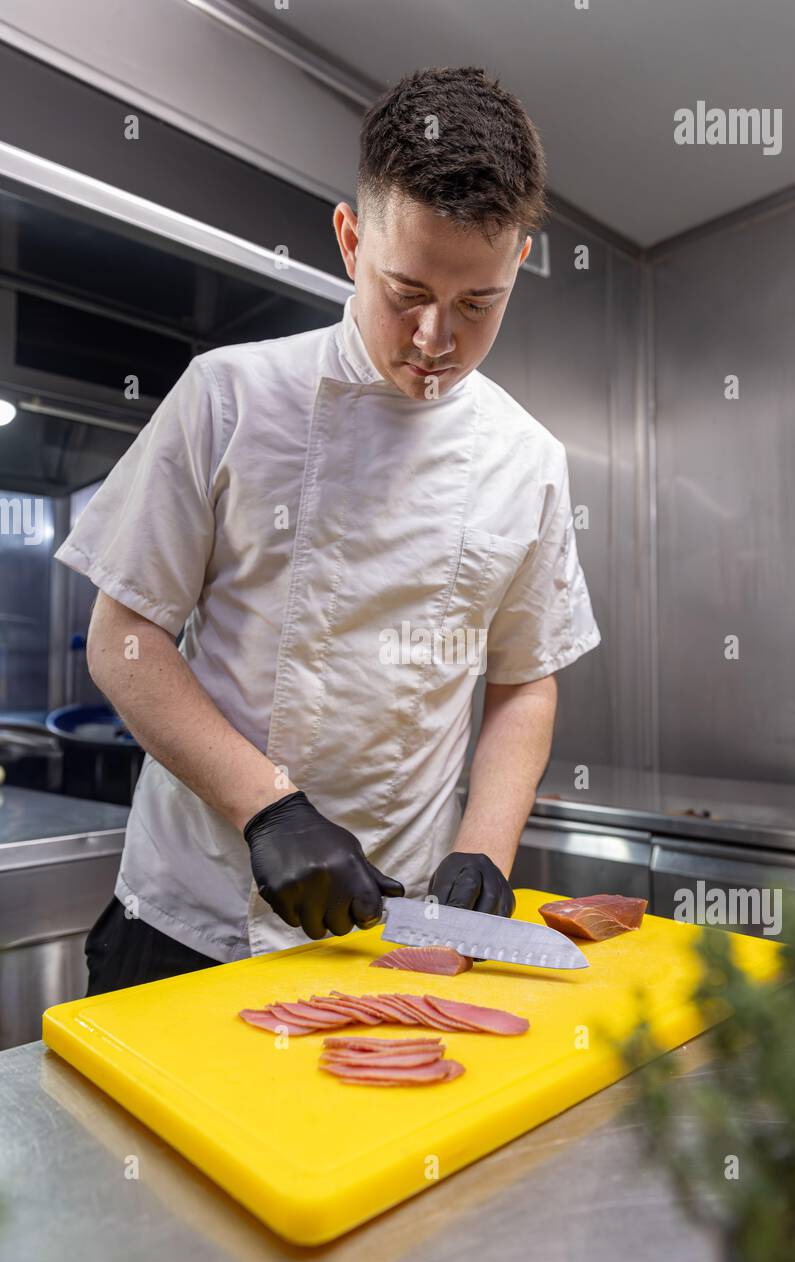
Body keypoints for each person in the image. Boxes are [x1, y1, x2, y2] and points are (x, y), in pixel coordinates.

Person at [55, 65, 600, 995]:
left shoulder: (528, 459)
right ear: (351, 243)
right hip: (191, 920)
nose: (435, 339)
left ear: (515, 268)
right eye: (406, 290)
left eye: (478, 303)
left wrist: (485, 849)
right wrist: (268, 811)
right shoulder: (229, 395)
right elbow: (124, 637)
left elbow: (522, 682)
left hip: (394, 931)